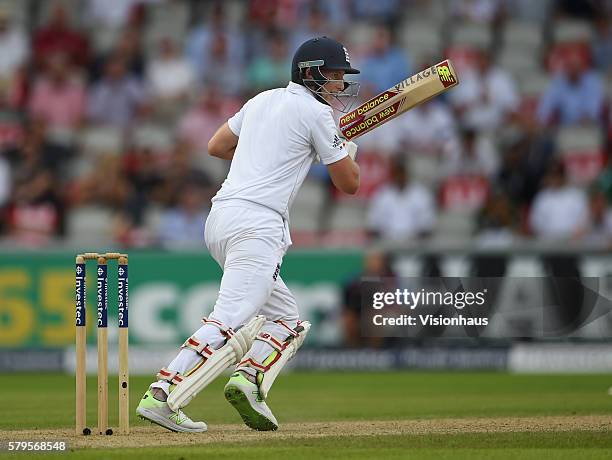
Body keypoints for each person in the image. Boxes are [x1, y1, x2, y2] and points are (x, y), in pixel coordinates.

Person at [136, 36, 361, 432]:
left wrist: (271, 152)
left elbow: (216, 145)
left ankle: (248, 380)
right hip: (258, 225)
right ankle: (162, 393)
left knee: (286, 321)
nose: (341, 84)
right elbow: (350, 184)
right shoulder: (317, 114)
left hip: (221, 217)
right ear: (310, 73)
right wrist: (348, 150)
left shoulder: (262, 100)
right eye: (335, 74)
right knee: (229, 317)